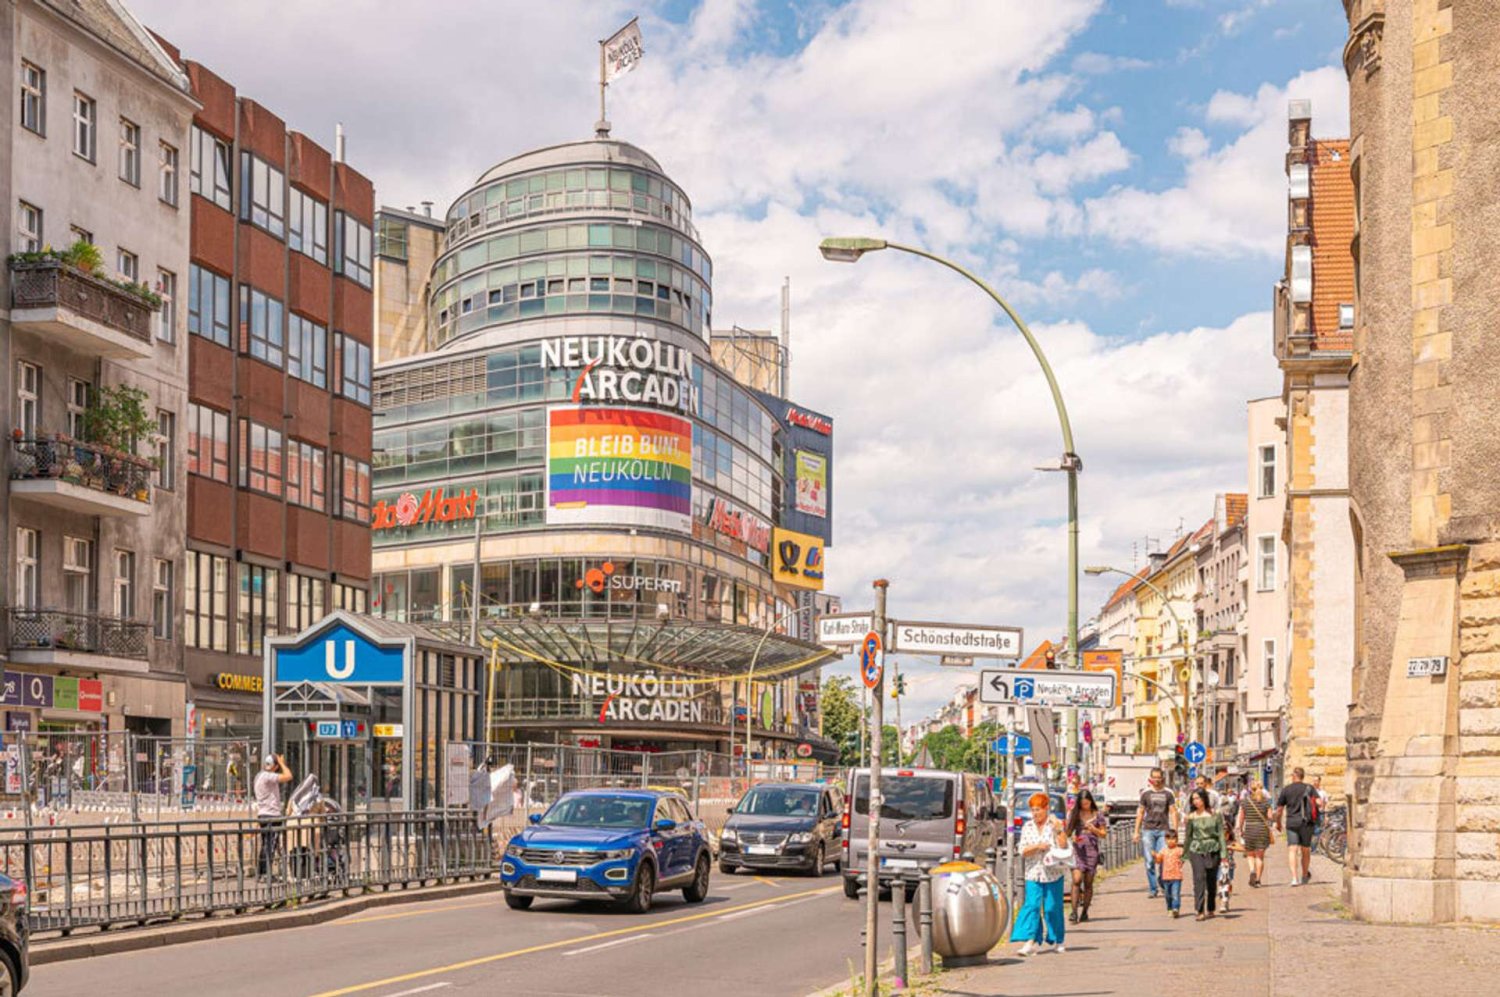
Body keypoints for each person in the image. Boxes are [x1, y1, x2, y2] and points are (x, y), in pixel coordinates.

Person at [1011, 792, 1069, 956]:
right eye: (1033, 810)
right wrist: (1038, 847)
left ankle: (1058, 939)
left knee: (1052, 908)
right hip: (1033, 873)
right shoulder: (1027, 827)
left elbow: (1064, 846)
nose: (1035, 813)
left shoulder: (1054, 825)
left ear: (1046, 809)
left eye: (1038, 809)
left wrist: (1059, 830)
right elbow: (1022, 850)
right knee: (1033, 906)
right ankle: (1031, 941)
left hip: (1053, 873)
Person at [1133, 767, 1178, 899]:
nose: (1157, 780)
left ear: (1162, 778)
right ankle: (1153, 889)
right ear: (1150, 779)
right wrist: (1136, 831)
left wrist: (1174, 830)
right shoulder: (1145, 794)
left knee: (1164, 859)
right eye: (1154, 777)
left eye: (1159, 777)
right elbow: (1140, 812)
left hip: (1163, 830)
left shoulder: (1168, 793)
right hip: (1148, 830)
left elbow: (1173, 811)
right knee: (1149, 861)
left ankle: (1162, 882)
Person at [1065, 789, 1109, 923]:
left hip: (1092, 850)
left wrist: (1093, 829)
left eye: (1087, 803)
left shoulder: (1098, 815)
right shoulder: (1075, 814)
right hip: (1078, 850)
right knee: (1077, 880)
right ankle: (1073, 912)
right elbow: (1068, 832)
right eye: (1083, 803)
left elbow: (1104, 834)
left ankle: (1084, 912)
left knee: (1088, 883)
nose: (1085, 805)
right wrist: (1072, 838)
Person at [1185, 788, 1228, 920]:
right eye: (1193, 799)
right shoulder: (1191, 817)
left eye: (1198, 798)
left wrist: (1224, 854)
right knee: (1199, 878)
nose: (1196, 801)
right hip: (1196, 849)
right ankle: (1199, 910)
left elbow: (1221, 835)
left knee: (1211, 879)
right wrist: (1184, 855)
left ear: (1204, 799)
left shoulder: (1215, 814)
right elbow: (1188, 836)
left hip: (1212, 848)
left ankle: (1210, 907)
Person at [1274, 767, 1319, 886]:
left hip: (1292, 823)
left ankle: (1294, 878)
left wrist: (1278, 823)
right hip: (1306, 823)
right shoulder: (1310, 788)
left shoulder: (1286, 790)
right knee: (1305, 849)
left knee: (1292, 849)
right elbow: (1319, 803)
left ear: (1294, 776)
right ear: (1302, 776)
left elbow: (1279, 810)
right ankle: (1304, 875)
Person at [255, 753, 293, 876]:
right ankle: (265, 874)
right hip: (271, 816)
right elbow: (288, 776)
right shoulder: (268, 776)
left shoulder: (259, 776)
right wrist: (282, 763)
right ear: (274, 766)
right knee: (270, 846)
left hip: (263, 815)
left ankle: (262, 873)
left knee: (265, 845)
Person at [1237, 781, 1276, 887]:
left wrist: (1240, 829)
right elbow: (1270, 817)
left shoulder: (1245, 801)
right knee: (1260, 856)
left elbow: (1241, 817)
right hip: (1262, 830)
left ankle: (1252, 870)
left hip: (1249, 829)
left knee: (1250, 854)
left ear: (1251, 789)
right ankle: (1258, 880)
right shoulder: (1266, 802)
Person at [1152, 834, 1186, 918]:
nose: (1170, 841)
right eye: (1168, 839)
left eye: (1173, 839)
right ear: (1165, 840)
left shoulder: (1179, 850)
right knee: (1168, 895)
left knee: (1175, 894)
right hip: (1166, 877)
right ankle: (1169, 908)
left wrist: (1181, 861)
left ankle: (1176, 909)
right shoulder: (1163, 851)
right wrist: (1154, 856)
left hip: (1176, 877)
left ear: (1177, 840)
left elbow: (1185, 857)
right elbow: (1158, 861)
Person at [1309, 775, 1331, 854]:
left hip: (1320, 813)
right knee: (1310, 831)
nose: (1315, 782)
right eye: (1314, 780)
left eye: (1317, 780)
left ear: (1319, 782)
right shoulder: (1309, 792)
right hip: (1310, 814)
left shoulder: (1323, 793)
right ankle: (1311, 847)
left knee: (1318, 831)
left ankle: (1314, 849)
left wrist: (1326, 816)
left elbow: (1325, 804)